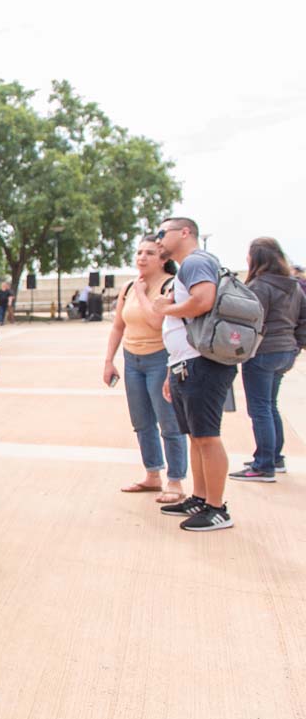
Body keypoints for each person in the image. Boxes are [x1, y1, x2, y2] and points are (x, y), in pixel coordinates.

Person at [152, 217, 236, 531]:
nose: (158, 240)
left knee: (207, 437)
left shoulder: (195, 262)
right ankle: (201, 498)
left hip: (202, 362)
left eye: (163, 233)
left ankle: (217, 508)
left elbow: (203, 301)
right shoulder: (188, 267)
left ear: (185, 233)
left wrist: (165, 307)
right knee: (197, 437)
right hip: (185, 362)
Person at [103, 236, 187, 503]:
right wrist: (109, 360)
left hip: (160, 359)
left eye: (149, 253)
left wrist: (141, 293)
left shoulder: (169, 286)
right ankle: (152, 474)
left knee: (169, 422)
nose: (141, 257)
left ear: (163, 260)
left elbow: (155, 322)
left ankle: (175, 480)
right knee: (142, 422)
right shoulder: (127, 287)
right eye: (139, 252)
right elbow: (118, 325)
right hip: (132, 360)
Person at [229, 237, 306, 481]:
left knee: (260, 408)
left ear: (256, 259)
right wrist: (297, 346)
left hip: (262, 352)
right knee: (270, 406)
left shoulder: (259, 286)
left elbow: (250, 321)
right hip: (285, 351)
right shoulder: (293, 285)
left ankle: (264, 466)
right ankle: (274, 458)